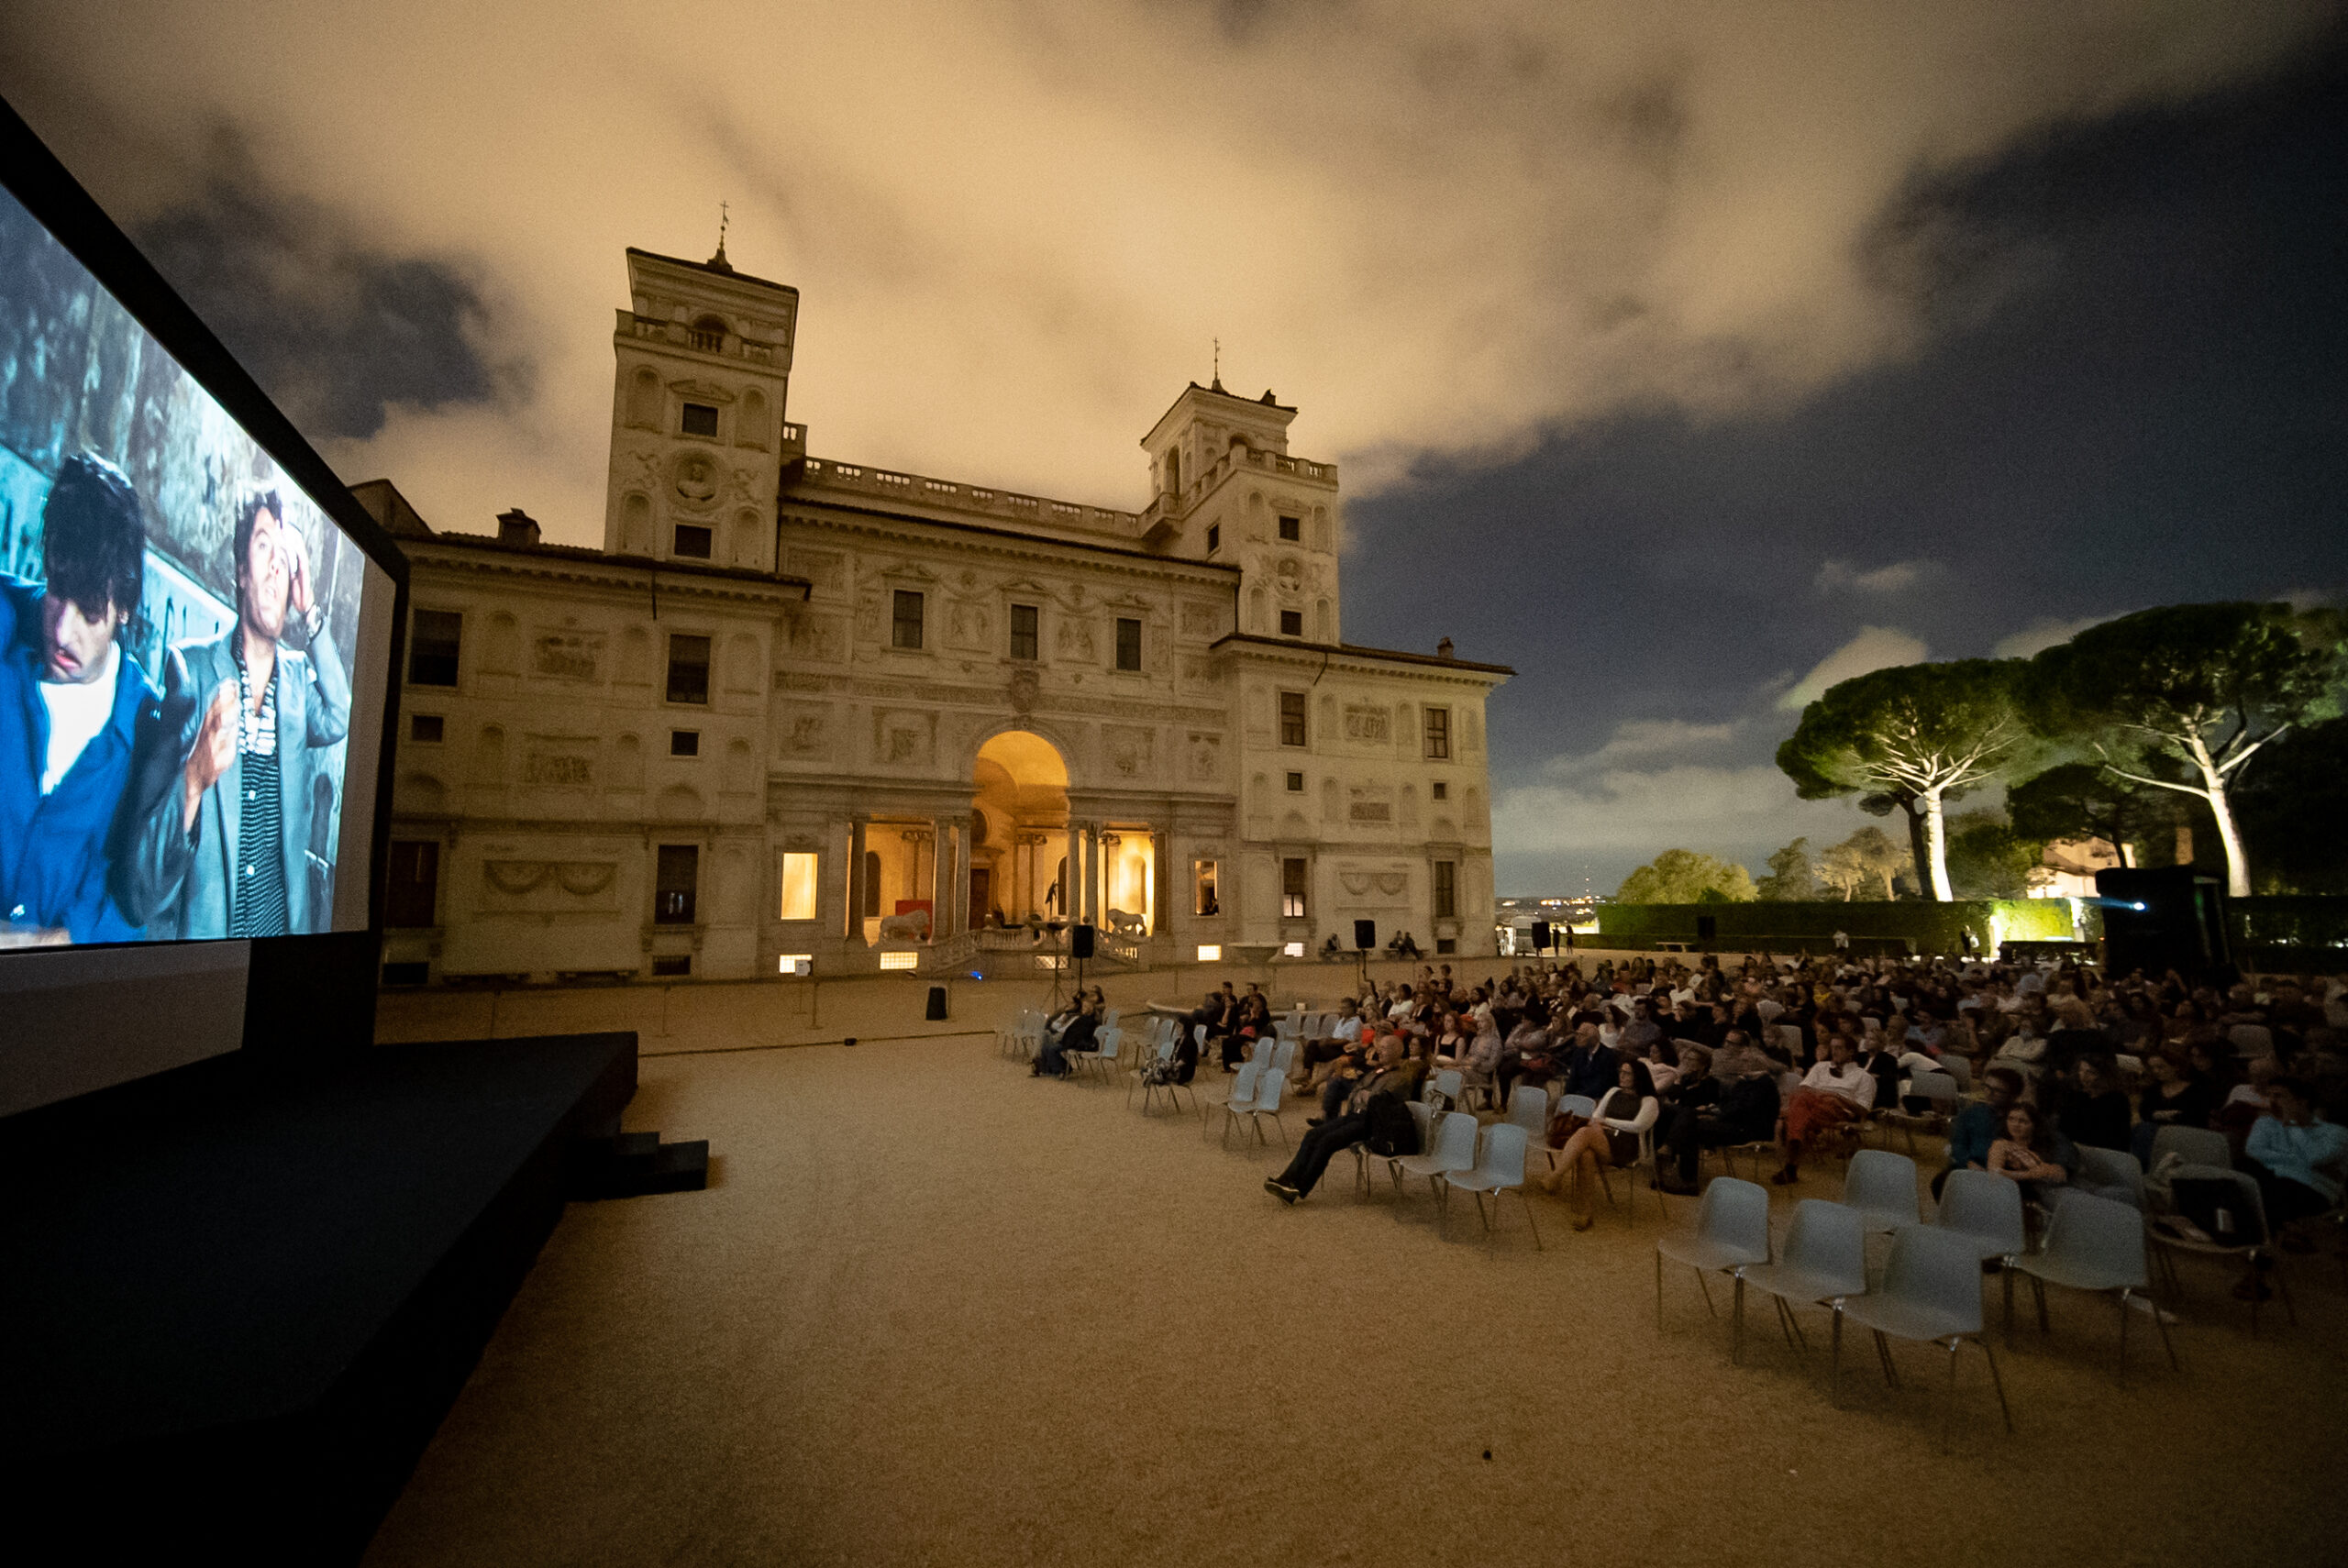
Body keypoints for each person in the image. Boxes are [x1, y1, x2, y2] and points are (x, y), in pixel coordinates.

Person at [123, 490, 349, 938]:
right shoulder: (191, 671)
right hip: (211, 965)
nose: (273, 567)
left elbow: (341, 713)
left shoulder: (300, 683)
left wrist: (311, 613)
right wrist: (194, 778)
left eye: (285, 559)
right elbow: (140, 890)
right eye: (264, 546)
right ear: (242, 572)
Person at [0, 454, 165, 944]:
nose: (61, 630)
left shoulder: (148, 735)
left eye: (90, 611)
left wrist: (53, 941)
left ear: (126, 608)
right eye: (57, 591)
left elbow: (127, 912)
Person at [1265, 1034, 1422, 1202]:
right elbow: (1357, 1090)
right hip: (1355, 1115)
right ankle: (1286, 1179)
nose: (1379, 1052)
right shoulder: (1378, 1070)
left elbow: (1378, 1099)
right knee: (1313, 1134)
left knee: (1328, 1141)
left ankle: (1298, 1188)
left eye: (1384, 1048)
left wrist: (1363, 1095)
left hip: (1372, 1123)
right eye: (1380, 1047)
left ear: (1398, 1051)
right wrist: (1361, 1095)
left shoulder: (1401, 1077)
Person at [1543, 1058, 1658, 1230]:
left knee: (1585, 1132)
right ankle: (1585, 1213)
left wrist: (1609, 1121)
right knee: (1586, 1154)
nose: (1622, 1075)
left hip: (1626, 1145)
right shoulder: (1614, 1092)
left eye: (1627, 1073)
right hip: (1603, 1137)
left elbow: (1638, 1126)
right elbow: (1596, 1116)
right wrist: (1604, 1122)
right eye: (1621, 1071)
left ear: (1638, 1076)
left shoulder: (1649, 1101)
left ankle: (1557, 1175)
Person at [2242, 1077, 2348, 1241]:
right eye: (2270, 1095)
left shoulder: (2335, 1133)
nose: (2272, 1101)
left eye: (2279, 1096)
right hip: (2273, 1179)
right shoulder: (2265, 1123)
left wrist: (2292, 1124)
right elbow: (2253, 1152)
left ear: (2301, 1102)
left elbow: (2312, 1157)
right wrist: (2296, 1160)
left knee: (2274, 1189)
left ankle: (2259, 1243)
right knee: (2243, 1171)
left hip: (2314, 1189)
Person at [1773, 1032, 1875, 1185]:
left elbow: (1863, 1110)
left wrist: (1837, 1096)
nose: (1834, 1052)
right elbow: (1803, 1090)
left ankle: (1794, 1141)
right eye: (1832, 1048)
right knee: (1801, 1100)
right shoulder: (1821, 1067)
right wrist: (1822, 1094)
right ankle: (1791, 1166)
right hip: (1812, 1105)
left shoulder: (1864, 1077)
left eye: (1839, 1048)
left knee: (1795, 1112)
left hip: (1837, 1110)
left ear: (1851, 1052)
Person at [2130, 1048, 2218, 1168]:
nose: (2156, 1071)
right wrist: (2158, 1115)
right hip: (2157, 1135)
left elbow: (2198, 1116)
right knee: (2141, 1129)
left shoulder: (2195, 1090)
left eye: (2161, 1067)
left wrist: (2170, 1116)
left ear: (2175, 1067)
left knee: (2144, 1129)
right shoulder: (2152, 1090)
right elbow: (2145, 1112)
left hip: (2185, 1133)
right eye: (2152, 1068)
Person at [1985, 1101, 2076, 1207]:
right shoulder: (2001, 1145)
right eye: (2011, 1119)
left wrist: (2053, 1170)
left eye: (2023, 1121)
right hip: (2039, 1191)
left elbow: (2059, 1169)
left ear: (2034, 1125)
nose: (2015, 1125)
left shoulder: (2045, 1143)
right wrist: (2029, 1174)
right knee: (2080, 1201)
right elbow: (1994, 1175)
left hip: (2064, 1182)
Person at [2053, 1055, 2132, 1155]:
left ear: (2103, 1075)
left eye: (2090, 1072)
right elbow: (2064, 1124)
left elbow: (2110, 1134)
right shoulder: (2076, 1095)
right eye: (2081, 1070)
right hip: (2075, 1147)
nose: (2083, 1076)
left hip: (2104, 1151)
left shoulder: (2117, 1100)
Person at [1032, 991, 1100, 1077]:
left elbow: (1077, 1034)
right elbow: (1064, 1028)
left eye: (1086, 1007)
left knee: (1049, 1045)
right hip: (1066, 1037)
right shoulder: (1078, 1017)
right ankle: (1040, 1064)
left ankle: (1062, 1068)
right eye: (1083, 1006)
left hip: (1073, 1042)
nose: (1083, 1008)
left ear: (1091, 1008)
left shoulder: (1088, 1020)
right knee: (1044, 1039)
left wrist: (1064, 1039)